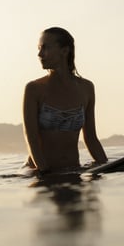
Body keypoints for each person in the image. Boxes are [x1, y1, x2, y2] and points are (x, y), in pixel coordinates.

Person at [23, 27, 108, 174]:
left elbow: (91, 138)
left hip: (73, 170)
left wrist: (108, 168)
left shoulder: (86, 88)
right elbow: (32, 140)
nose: (39, 54)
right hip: (40, 172)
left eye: (45, 48)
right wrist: (44, 172)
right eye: (38, 48)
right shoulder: (34, 89)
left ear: (64, 51)